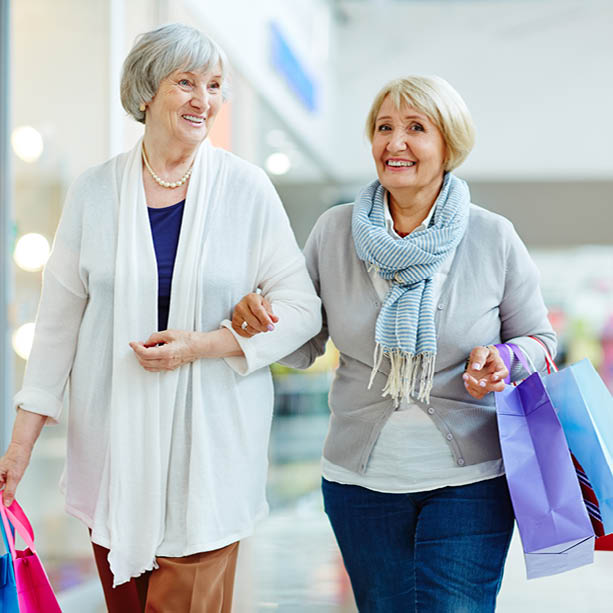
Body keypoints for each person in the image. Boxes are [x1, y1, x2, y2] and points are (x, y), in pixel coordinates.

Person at [0, 23, 320, 613]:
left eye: (215, 85)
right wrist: (19, 449)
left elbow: (303, 311)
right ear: (147, 91)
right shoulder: (94, 193)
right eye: (186, 83)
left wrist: (207, 343)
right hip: (113, 456)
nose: (204, 99)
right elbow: (56, 325)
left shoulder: (246, 191)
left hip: (210, 458)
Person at [231, 75, 556, 612]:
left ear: (448, 145)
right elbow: (303, 342)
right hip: (360, 485)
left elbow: (540, 340)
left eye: (415, 128)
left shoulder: (491, 236)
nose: (394, 143)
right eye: (384, 128)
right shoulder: (335, 233)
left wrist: (505, 357)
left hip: (471, 481)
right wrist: (256, 321)